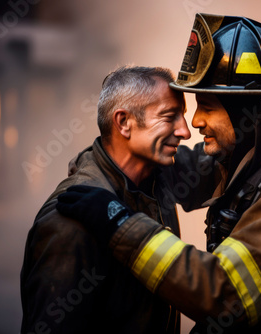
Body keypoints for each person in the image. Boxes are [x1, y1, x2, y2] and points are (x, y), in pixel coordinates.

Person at [56, 13, 261, 334]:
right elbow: (172, 167)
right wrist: (101, 164)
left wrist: (118, 222)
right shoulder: (247, 165)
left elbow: (224, 296)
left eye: (207, 106)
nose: (194, 122)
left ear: (249, 114)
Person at [20, 65, 219, 333]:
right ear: (124, 122)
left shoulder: (158, 172)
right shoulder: (69, 222)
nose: (185, 131)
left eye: (182, 115)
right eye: (170, 116)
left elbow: (219, 164)